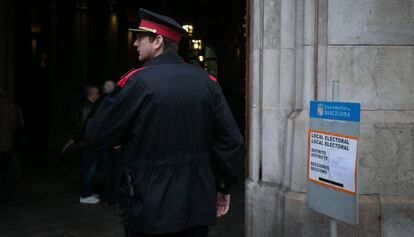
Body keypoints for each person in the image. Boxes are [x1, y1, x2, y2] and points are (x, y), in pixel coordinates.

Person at [85, 8, 244, 236]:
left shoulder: (136, 82)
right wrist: (223, 186)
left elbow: (95, 135)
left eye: (140, 37)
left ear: (158, 41)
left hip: (149, 209)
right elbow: (232, 141)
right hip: (195, 207)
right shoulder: (207, 82)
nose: (135, 44)